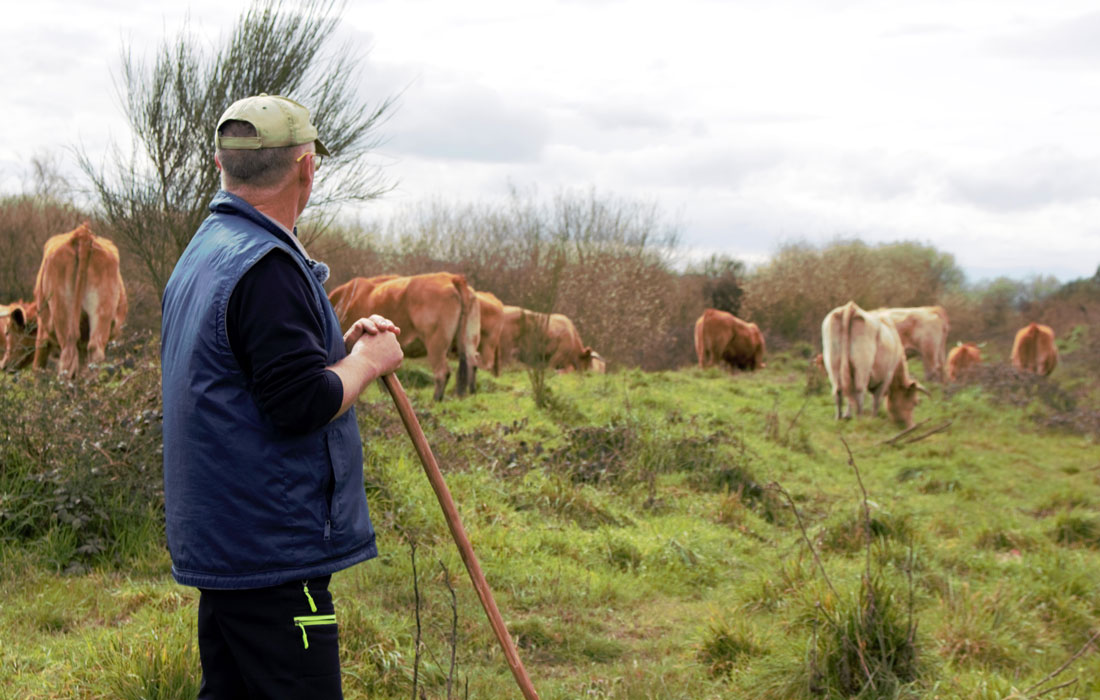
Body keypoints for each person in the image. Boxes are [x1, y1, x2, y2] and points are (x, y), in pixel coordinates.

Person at [161, 93, 403, 699]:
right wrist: (368, 363)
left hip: (228, 543)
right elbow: (299, 403)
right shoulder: (266, 267)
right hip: (273, 550)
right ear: (306, 167)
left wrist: (337, 355)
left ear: (221, 165)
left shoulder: (205, 252)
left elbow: (251, 369)